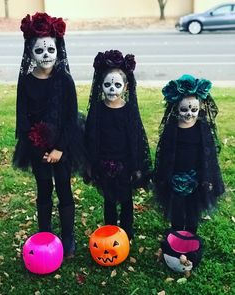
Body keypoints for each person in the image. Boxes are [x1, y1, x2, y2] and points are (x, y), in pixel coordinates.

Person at [13, 12, 86, 258]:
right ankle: (45, 234)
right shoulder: (26, 81)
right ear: (31, 53)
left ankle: (68, 236)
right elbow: (22, 117)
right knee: (44, 188)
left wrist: (59, 149)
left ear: (58, 50)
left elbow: (70, 117)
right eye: (40, 51)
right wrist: (37, 147)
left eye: (50, 50)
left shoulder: (65, 81)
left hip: (62, 146)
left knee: (64, 188)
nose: (46, 55)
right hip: (36, 147)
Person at [85, 50, 152, 240]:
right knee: (109, 199)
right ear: (100, 85)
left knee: (126, 199)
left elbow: (136, 138)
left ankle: (127, 233)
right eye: (107, 85)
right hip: (103, 163)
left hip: (125, 164)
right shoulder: (98, 110)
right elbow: (91, 137)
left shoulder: (129, 110)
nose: (112, 89)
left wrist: (136, 166)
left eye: (117, 85)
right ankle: (110, 231)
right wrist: (91, 164)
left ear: (126, 86)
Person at [153, 74, 224, 233]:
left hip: (196, 180)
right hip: (175, 179)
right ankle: (176, 237)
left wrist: (208, 177)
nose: (189, 114)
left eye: (194, 109)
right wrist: (164, 177)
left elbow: (209, 155)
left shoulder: (202, 129)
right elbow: (164, 155)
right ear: (177, 108)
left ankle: (190, 238)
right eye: (184, 109)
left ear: (200, 108)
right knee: (176, 213)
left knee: (192, 213)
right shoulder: (172, 129)